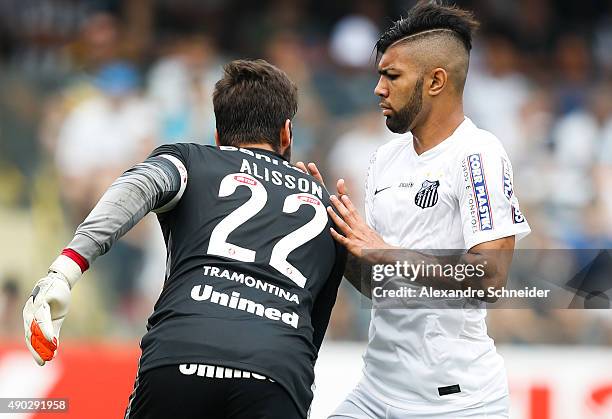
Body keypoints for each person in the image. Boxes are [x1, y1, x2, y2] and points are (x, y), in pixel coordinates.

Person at [22, 59, 346, 419]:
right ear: (287, 133)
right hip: (277, 369)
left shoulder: (192, 160)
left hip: (182, 352)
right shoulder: (326, 204)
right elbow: (317, 322)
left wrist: (66, 268)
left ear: (218, 136)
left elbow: (137, 185)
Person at [299, 3, 531, 418]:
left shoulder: (478, 154)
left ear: (436, 81)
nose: (378, 89)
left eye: (392, 76)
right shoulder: (383, 160)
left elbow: (491, 276)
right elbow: (380, 284)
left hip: (457, 402)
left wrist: (385, 251)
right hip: (376, 391)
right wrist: (334, 229)